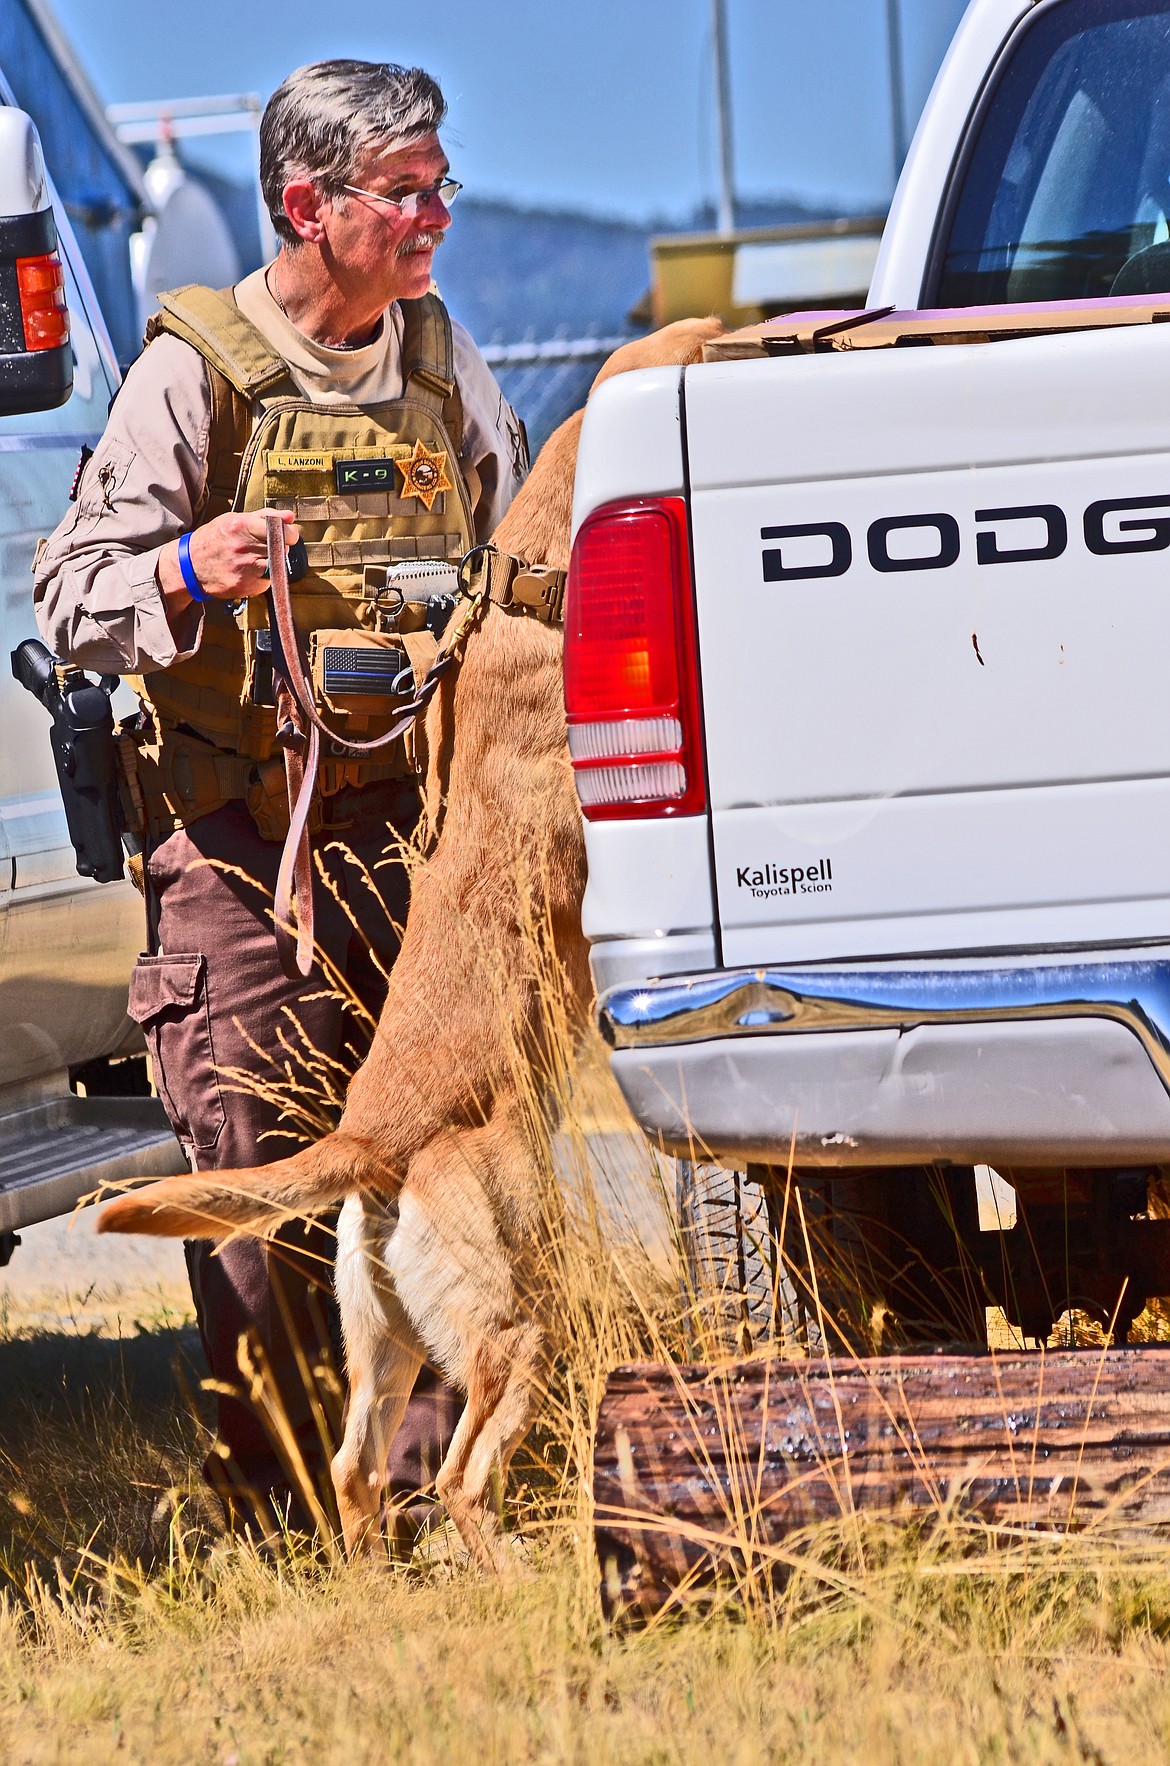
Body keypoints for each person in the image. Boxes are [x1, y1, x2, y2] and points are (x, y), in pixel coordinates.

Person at [34, 59, 528, 1533]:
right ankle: (284, 1519)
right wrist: (189, 571)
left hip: (418, 844)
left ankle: (437, 1498)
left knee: (440, 1170)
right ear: (306, 205)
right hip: (238, 849)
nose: (437, 214)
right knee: (255, 1182)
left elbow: (507, 568)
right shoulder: (194, 368)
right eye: (406, 191)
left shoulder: (442, 365)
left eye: (442, 184)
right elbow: (69, 596)